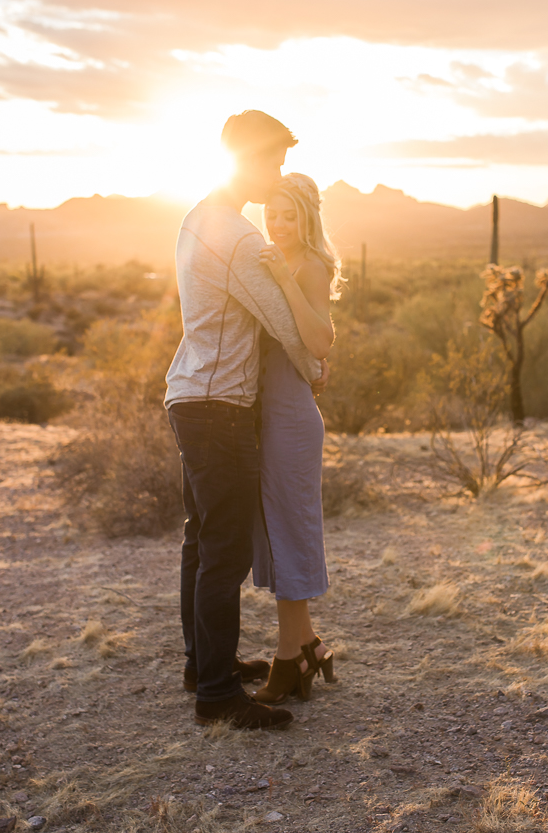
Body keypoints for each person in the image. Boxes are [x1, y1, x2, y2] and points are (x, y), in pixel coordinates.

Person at [164, 111, 325, 730]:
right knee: (224, 552)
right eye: (275, 162)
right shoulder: (238, 238)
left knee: (200, 540)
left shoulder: (197, 217)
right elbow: (288, 330)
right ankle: (218, 697)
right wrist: (313, 364)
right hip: (220, 404)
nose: (278, 173)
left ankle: (204, 665)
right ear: (251, 159)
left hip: (189, 394)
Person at [249, 173, 341, 702]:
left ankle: (288, 663)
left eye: (289, 215)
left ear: (307, 218)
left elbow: (321, 340)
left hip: (292, 421)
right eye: (273, 214)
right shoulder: (267, 257)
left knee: (290, 531)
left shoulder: (310, 265)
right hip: (270, 415)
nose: (279, 224)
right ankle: (309, 645)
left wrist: (285, 280)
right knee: (275, 528)